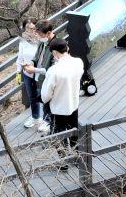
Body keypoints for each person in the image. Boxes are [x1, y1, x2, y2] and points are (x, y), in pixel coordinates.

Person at [41, 38, 84, 168]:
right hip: (74, 103)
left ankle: (64, 161)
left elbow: (45, 96)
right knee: (74, 131)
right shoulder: (78, 62)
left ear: (54, 52)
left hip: (58, 108)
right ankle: (78, 157)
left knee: (59, 135)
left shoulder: (53, 70)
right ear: (67, 48)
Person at [17, 18, 50, 133]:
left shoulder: (42, 41)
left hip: (39, 73)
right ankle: (35, 117)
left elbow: (42, 59)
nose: (30, 30)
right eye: (27, 28)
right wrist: (18, 71)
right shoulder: (23, 40)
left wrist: (33, 68)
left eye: (32, 28)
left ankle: (47, 119)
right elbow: (20, 56)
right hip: (27, 72)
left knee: (45, 96)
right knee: (32, 96)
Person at [24, 19, 58, 131]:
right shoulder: (43, 42)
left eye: (40, 34)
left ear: (48, 33)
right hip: (38, 77)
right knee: (41, 98)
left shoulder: (56, 45)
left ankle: (48, 121)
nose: (39, 36)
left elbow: (52, 69)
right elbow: (36, 57)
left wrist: (34, 70)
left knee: (48, 100)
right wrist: (31, 63)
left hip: (47, 78)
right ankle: (44, 119)